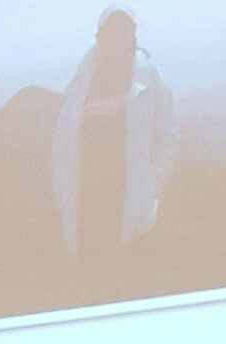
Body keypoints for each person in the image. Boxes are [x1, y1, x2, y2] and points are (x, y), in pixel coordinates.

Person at [53, 7, 178, 260]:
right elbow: (63, 141)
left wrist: (154, 179)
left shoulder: (151, 82)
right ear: (100, 38)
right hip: (89, 195)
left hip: (129, 191)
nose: (117, 40)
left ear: (132, 37)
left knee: (128, 264)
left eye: (124, 32)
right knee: (91, 262)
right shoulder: (80, 85)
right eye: (111, 33)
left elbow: (169, 135)